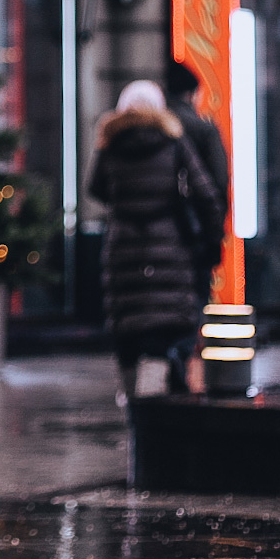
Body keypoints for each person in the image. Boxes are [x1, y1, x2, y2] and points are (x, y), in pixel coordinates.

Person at [87, 79, 225, 404]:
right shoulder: (173, 142)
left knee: (127, 315)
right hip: (170, 240)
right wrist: (211, 240)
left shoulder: (111, 143)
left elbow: (95, 187)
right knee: (174, 311)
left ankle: (131, 390)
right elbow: (207, 194)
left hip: (123, 242)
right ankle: (170, 367)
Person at [165, 58, 230, 303]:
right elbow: (218, 184)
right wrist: (215, 238)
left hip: (159, 237)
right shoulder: (203, 130)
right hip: (195, 232)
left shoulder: (153, 128)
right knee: (196, 301)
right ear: (192, 93)